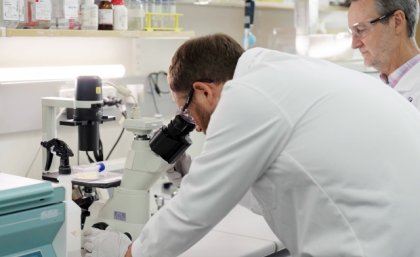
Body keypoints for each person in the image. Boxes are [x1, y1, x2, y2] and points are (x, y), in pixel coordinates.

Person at [83, 33, 420, 257]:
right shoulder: (278, 76)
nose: (195, 126)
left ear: (204, 90)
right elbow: (268, 187)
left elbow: (194, 212)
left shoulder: (245, 96)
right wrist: (193, 171)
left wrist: (130, 253)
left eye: (187, 111)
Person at [348, 0, 420, 108]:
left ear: (397, 21)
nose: (354, 44)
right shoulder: (378, 87)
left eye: (361, 30)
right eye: (352, 33)